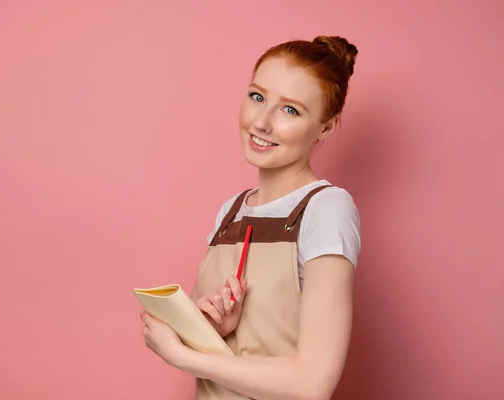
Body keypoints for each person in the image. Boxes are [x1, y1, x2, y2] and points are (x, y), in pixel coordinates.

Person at [139, 35, 362, 400]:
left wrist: (182, 355)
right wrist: (215, 327)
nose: (261, 122)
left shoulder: (326, 208)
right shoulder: (230, 212)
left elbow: (312, 384)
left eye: (290, 110)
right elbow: (215, 342)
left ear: (326, 126)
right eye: (257, 97)